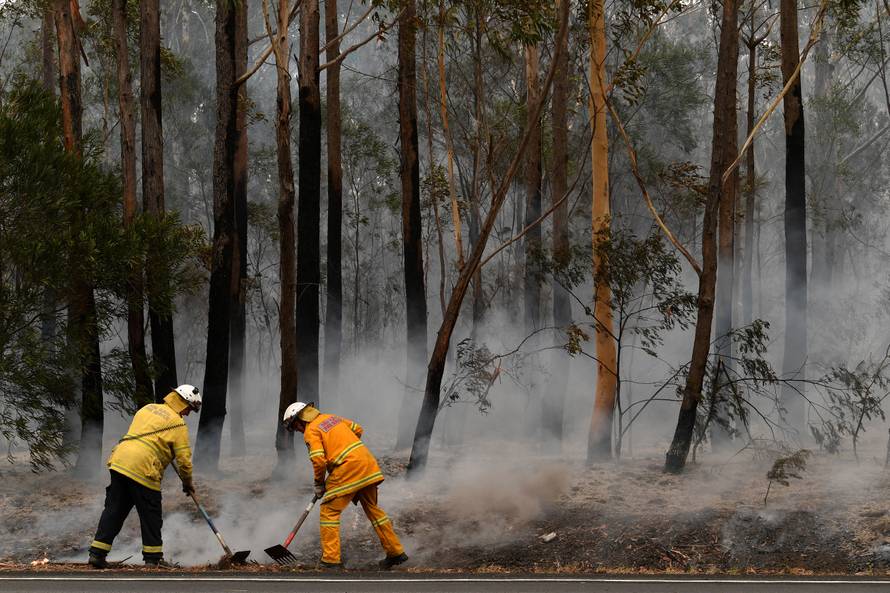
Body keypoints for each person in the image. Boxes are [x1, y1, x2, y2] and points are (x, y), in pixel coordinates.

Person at [282, 401, 408, 569]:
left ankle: (331, 560)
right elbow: (358, 429)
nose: (297, 430)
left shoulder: (311, 431)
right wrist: (343, 446)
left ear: (300, 420)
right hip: (367, 464)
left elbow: (318, 460)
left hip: (348, 468)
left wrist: (319, 483)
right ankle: (396, 552)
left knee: (329, 511)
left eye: (294, 426)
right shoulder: (331, 418)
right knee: (373, 509)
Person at [87, 384, 201, 569]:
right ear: (183, 402)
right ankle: (153, 559)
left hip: (120, 461)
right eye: (189, 408)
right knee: (151, 515)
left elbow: (144, 434)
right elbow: (184, 461)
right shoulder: (178, 425)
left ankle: (97, 554)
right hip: (144, 468)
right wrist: (187, 483)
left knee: (114, 510)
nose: (188, 413)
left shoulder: (147, 408)